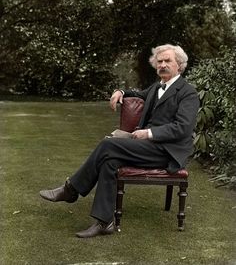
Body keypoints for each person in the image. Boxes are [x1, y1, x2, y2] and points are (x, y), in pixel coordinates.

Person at [39, 44, 200, 238]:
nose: (163, 65)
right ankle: (104, 222)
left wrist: (149, 133)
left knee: (108, 144)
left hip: (166, 151)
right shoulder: (157, 87)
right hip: (147, 148)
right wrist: (121, 92)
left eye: (168, 61)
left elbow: (182, 127)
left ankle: (71, 189)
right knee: (109, 161)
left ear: (179, 65)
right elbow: (138, 94)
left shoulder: (188, 93)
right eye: (160, 61)